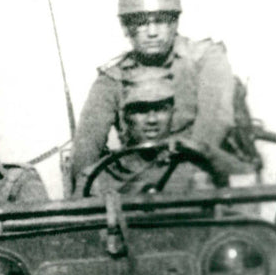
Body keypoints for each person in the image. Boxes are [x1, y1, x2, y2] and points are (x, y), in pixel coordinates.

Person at [71, 0, 254, 190]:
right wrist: (87, 186)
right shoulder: (113, 78)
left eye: (160, 21)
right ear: (126, 28)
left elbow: (213, 128)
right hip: (138, 180)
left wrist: (178, 176)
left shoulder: (205, 60)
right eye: (141, 23)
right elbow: (86, 149)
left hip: (201, 173)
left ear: (175, 22)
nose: (152, 32)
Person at [78, 78, 243, 197]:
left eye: (161, 109)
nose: (152, 120)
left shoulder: (193, 166)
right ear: (126, 118)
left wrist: (205, 150)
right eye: (141, 110)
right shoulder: (100, 176)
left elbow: (245, 183)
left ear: (172, 114)